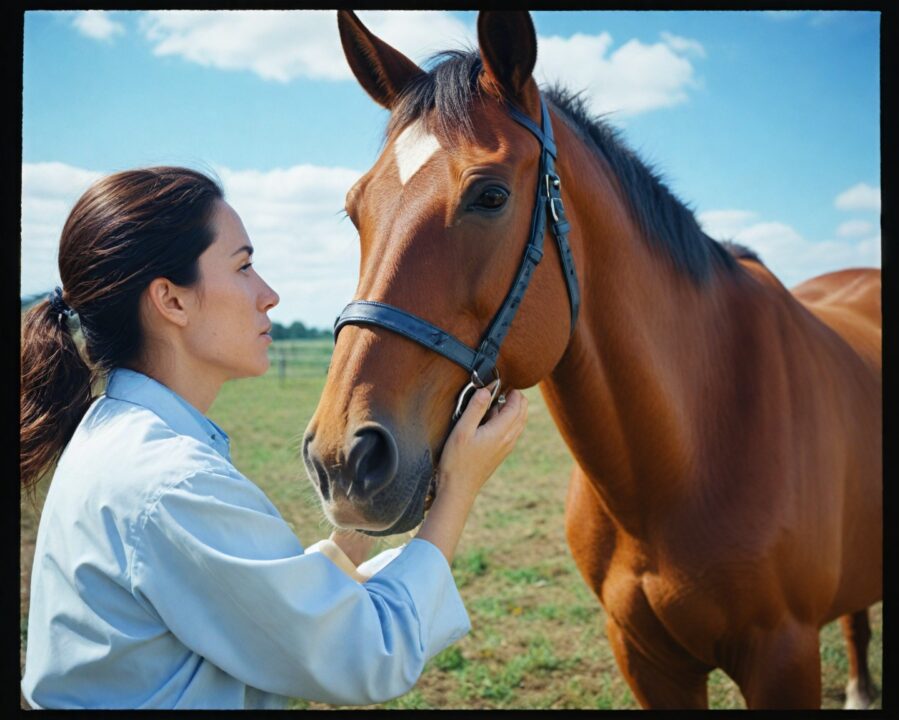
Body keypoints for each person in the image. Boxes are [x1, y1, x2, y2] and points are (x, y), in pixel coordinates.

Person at [19, 166, 528, 709]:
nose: (270, 296)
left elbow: (258, 603)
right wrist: (457, 489)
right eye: (244, 267)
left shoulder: (116, 438)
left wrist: (362, 502)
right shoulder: (170, 482)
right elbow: (369, 651)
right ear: (172, 301)